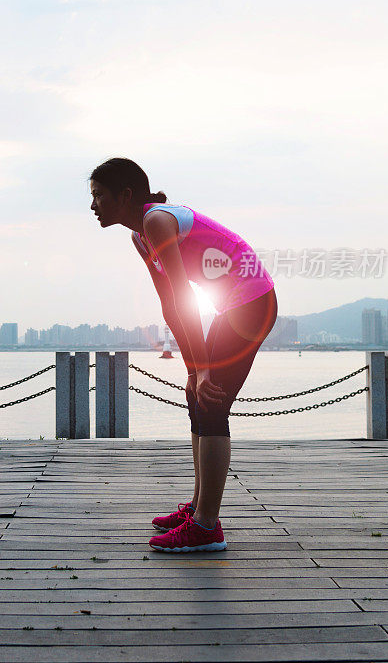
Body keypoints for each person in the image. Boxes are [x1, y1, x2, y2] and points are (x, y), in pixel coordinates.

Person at [89, 157, 277, 553]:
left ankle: (207, 527)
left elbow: (185, 295)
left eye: (99, 196)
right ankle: (198, 510)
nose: (93, 206)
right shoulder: (140, 236)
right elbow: (169, 304)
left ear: (125, 195)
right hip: (232, 308)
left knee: (212, 406)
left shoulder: (157, 221)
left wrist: (205, 369)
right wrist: (195, 369)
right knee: (197, 398)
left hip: (253, 302)